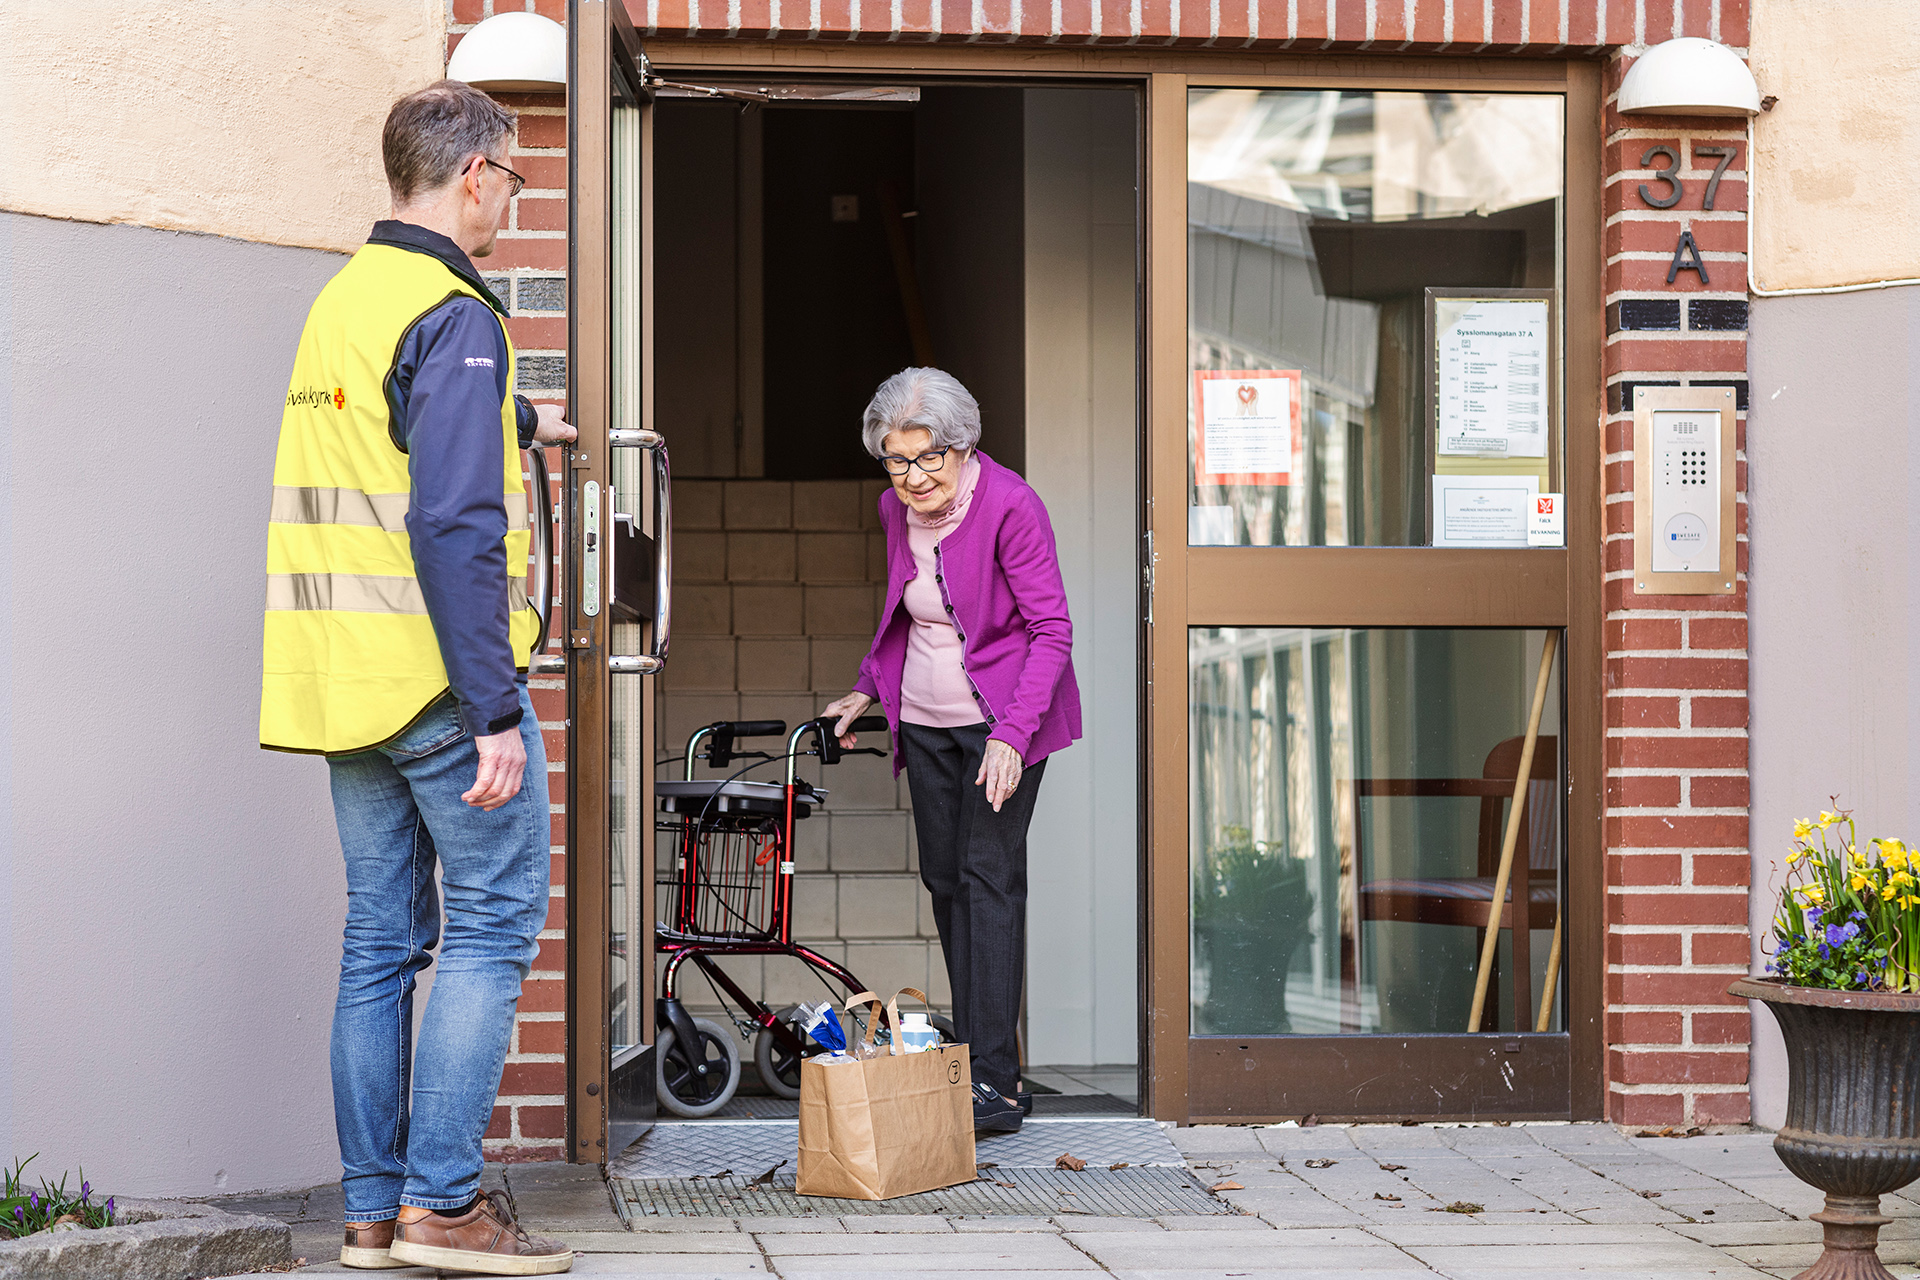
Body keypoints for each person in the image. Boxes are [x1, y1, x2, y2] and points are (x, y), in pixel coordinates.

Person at [259, 80, 575, 1275]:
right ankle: (447, 1205)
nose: (511, 201)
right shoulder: (455, 311)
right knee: (493, 923)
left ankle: (371, 1213)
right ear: (477, 177)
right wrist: (495, 706)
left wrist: (517, 415)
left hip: (342, 686)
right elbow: (449, 520)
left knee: (379, 941)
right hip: (438, 688)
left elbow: (382, 450)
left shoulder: (344, 303)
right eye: (515, 181)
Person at [823, 367, 1082, 1135]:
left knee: (989, 880)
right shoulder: (894, 508)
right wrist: (869, 687)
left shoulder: (1011, 506)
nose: (912, 477)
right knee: (946, 881)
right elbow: (907, 611)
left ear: (964, 446)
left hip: (1007, 724)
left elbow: (1052, 632)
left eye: (927, 457)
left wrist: (1012, 736)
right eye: (897, 460)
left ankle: (996, 1083)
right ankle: (974, 1065)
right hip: (927, 724)